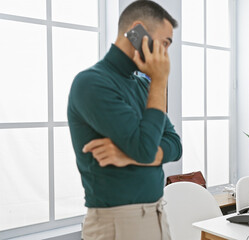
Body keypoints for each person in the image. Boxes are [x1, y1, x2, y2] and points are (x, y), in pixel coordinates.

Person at [67, 1, 182, 239]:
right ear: (137, 31)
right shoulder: (91, 83)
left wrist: (133, 156)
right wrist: (160, 81)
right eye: (165, 43)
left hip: (157, 214)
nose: (166, 55)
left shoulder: (142, 86)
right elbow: (144, 148)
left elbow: (175, 144)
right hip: (118, 223)